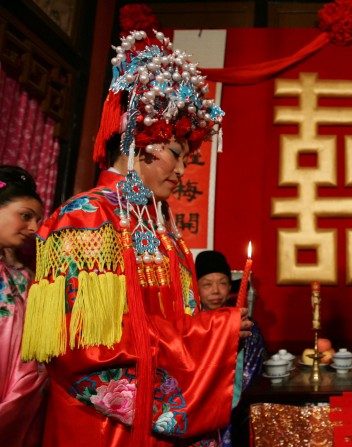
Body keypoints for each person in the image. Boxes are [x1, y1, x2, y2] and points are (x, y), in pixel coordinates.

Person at [21, 30, 252, 447]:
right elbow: (83, 352)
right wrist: (185, 392)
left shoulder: (161, 225)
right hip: (103, 429)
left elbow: (180, 322)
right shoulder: (87, 216)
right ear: (140, 141)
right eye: (177, 153)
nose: (182, 170)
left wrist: (219, 330)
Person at [195, 250, 266, 447]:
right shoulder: (188, 326)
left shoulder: (246, 327)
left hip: (236, 415)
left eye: (223, 283)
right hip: (196, 411)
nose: (216, 291)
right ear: (196, 287)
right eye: (207, 284)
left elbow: (252, 372)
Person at [0, 166, 47, 447]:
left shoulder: (26, 278)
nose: (34, 228)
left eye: (38, 220)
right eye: (25, 216)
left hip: (18, 406)